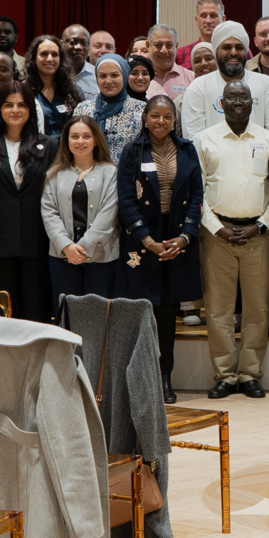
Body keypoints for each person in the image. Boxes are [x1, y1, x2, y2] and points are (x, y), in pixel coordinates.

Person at [198, 79, 269, 400]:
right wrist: (215, 227)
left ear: (251, 102)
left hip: (258, 235)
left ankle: (249, 374)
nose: (237, 102)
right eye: (231, 97)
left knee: (257, 308)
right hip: (216, 235)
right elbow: (197, 191)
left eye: (243, 97)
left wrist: (261, 225)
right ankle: (224, 375)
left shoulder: (268, 139)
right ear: (221, 103)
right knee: (218, 309)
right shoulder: (205, 140)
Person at [115, 95, 199, 399]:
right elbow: (126, 200)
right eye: (155, 116)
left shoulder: (187, 149)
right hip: (143, 240)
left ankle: (164, 376)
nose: (161, 122)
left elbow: (197, 196)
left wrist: (185, 236)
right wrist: (147, 240)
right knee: (141, 310)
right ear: (145, 118)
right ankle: (141, 377)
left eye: (167, 117)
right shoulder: (132, 151)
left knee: (167, 312)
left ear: (174, 121)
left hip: (175, 238)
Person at [0, 82, 55, 321]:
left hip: (38, 242)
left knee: (36, 312)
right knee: (2, 314)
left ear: (31, 110)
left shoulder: (49, 145)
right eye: (8, 105)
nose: (15, 110)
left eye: (22, 105)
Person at [40, 113, 122, 304]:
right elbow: (49, 212)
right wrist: (67, 246)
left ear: (96, 140)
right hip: (63, 255)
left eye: (86, 136)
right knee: (67, 311)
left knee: (97, 313)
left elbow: (109, 213)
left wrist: (84, 247)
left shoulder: (110, 172)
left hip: (102, 256)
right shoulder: (53, 174)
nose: (80, 141)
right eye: (74, 136)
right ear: (66, 141)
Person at [180, 21, 269, 139]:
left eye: (239, 47)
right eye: (227, 47)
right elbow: (193, 138)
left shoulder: (267, 85)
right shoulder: (198, 87)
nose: (233, 52)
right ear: (216, 51)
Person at [78, 54, 142, 156]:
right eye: (103, 76)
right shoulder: (83, 109)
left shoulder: (140, 109)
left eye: (114, 75)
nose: (108, 81)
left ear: (124, 76)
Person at [23, 35, 86, 132]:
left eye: (54, 54)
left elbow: (83, 124)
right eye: (44, 54)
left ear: (61, 59)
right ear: (34, 58)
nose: (49, 59)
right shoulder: (24, 91)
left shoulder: (73, 91)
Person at [143, 24, 193, 101]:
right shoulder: (138, 79)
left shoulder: (191, 78)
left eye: (169, 45)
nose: (164, 51)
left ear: (176, 46)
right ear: (148, 45)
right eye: (158, 45)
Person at [181, 0, 224, 69]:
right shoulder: (181, 54)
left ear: (223, 19)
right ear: (196, 20)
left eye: (213, 16)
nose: (208, 21)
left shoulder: (234, 51)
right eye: (203, 16)